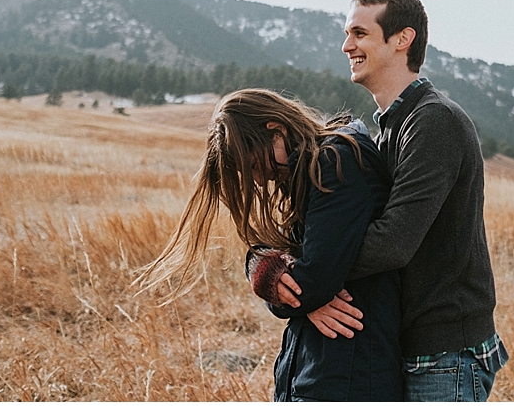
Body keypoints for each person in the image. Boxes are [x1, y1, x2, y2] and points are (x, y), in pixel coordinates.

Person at [276, 0, 508, 401]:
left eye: (360, 33)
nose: (347, 45)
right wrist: (279, 270)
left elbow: (392, 243)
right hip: (406, 345)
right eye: (348, 34)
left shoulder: (433, 121)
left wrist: (308, 279)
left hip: (444, 353)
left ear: (402, 40)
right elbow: (326, 225)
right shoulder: (388, 128)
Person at [136, 88, 403, 401]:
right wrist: (261, 266)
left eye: (254, 166)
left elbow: (313, 282)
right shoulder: (312, 168)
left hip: (347, 372)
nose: (260, 182)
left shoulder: (333, 163)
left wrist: (296, 289)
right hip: (324, 368)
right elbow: (282, 258)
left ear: (276, 129)